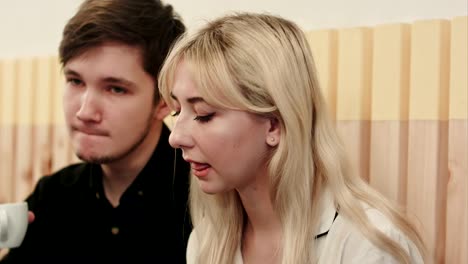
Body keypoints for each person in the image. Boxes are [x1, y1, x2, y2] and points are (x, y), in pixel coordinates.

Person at [158, 13, 426, 264]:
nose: (176, 137)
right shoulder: (206, 242)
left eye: (204, 115)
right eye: (177, 111)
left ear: (274, 125)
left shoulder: (368, 247)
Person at [0, 0, 190, 263]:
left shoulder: (207, 205)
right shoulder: (53, 197)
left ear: (164, 102)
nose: (85, 112)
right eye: (75, 81)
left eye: (115, 89)